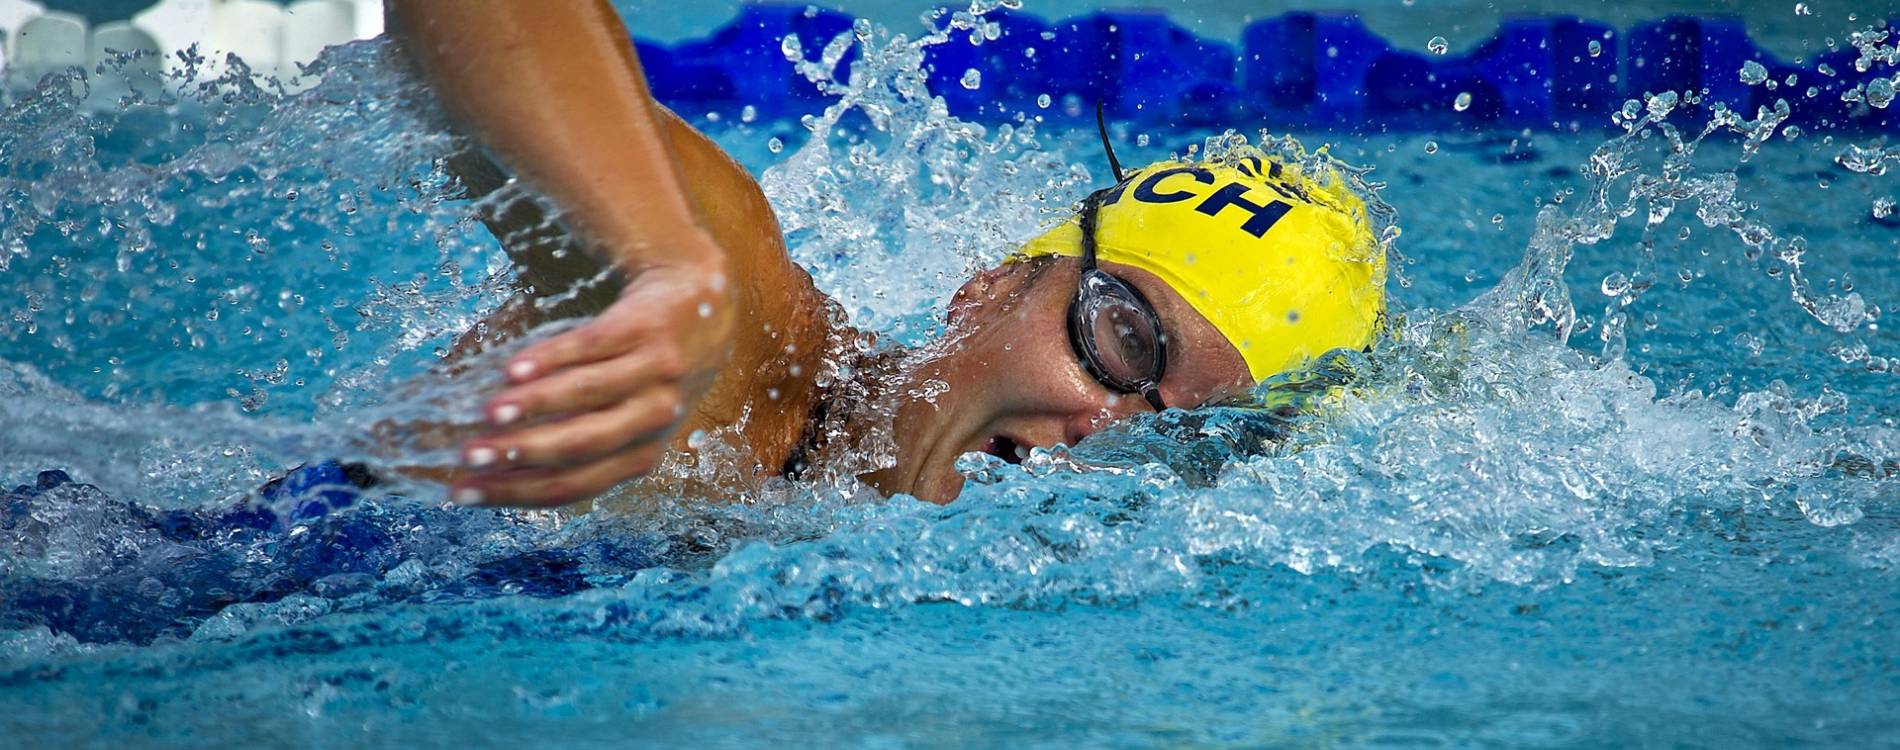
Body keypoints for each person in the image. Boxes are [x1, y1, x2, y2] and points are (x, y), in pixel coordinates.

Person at [383, 0, 1386, 508]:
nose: (1106, 430)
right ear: (989, 286)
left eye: (1190, 439)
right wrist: (657, 261)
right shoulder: (740, 350)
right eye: (1125, 341)